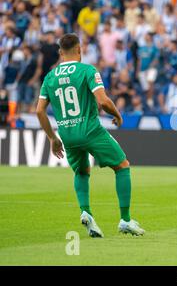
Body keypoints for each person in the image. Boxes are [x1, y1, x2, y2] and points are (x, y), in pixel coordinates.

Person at [36, 33, 145, 237]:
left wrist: (52, 138)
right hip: (90, 130)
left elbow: (39, 111)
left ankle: (86, 213)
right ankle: (125, 220)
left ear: (60, 52)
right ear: (79, 50)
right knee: (122, 166)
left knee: (82, 171)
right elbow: (103, 101)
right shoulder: (87, 70)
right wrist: (117, 114)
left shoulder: (50, 77)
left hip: (67, 134)